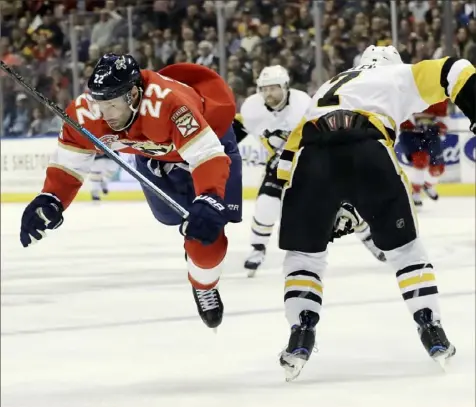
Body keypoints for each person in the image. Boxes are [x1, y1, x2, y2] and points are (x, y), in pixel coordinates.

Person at [276, 45, 475, 381]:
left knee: (304, 255)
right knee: (404, 249)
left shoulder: (328, 86)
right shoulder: (395, 73)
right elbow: (457, 68)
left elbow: (288, 158)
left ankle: (302, 330)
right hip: (367, 146)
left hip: (311, 157)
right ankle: (429, 323)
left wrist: (320, 204)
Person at [19, 54, 242, 330]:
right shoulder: (88, 112)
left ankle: (204, 283)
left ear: (134, 94)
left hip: (211, 142)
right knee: (170, 219)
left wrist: (208, 196)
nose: (106, 114)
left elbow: (207, 155)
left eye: (112, 104)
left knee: (207, 235)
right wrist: (51, 198)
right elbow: (70, 162)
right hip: (155, 157)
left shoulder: (169, 104)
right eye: (101, 104)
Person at [234, 65, 385, 278]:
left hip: (311, 155)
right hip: (280, 161)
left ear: (286, 87)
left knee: (342, 199)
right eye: (265, 89)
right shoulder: (251, 107)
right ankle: (258, 248)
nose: (269, 93)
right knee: (267, 202)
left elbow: (317, 133)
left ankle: (370, 238)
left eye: (274, 88)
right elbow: (236, 133)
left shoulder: (302, 103)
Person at [399, 101, 449, 206]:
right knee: (420, 160)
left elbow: (442, 118)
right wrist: (412, 122)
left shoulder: (440, 94)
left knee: (438, 168)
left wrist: (439, 125)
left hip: (431, 133)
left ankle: (427, 185)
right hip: (410, 133)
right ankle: (415, 192)